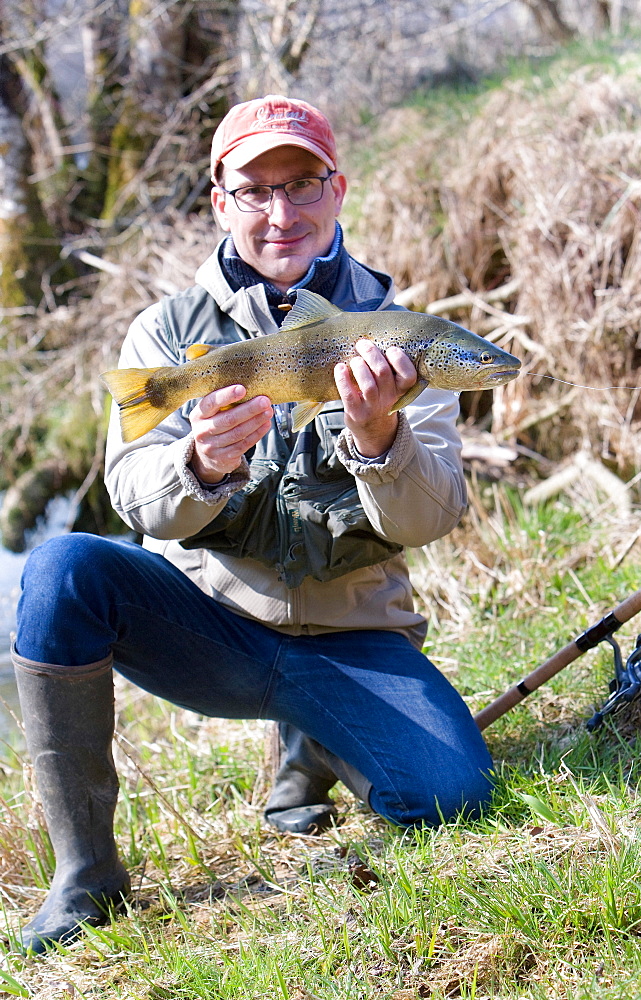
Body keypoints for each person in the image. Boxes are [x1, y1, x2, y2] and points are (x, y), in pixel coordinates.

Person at [11, 95, 494, 954]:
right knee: (59, 570)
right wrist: (200, 465)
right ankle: (85, 875)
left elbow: (432, 518)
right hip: (212, 633)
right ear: (218, 201)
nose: (282, 213)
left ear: (338, 188)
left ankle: (313, 740)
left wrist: (379, 436)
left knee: (450, 797)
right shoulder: (165, 332)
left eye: (303, 183)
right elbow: (135, 498)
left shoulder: (403, 336)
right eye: (255, 189)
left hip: (354, 637)